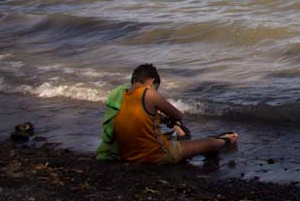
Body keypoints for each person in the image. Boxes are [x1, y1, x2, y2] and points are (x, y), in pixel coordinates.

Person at [97, 64, 237, 164]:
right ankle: (223, 140)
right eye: (156, 87)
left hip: (127, 154)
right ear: (151, 82)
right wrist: (171, 119)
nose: (156, 90)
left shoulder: (121, 96)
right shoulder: (148, 93)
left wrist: (162, 119)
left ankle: (185, 137)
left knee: (175, 136)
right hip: (156, 156)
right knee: (210, 143)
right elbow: (177, 115)